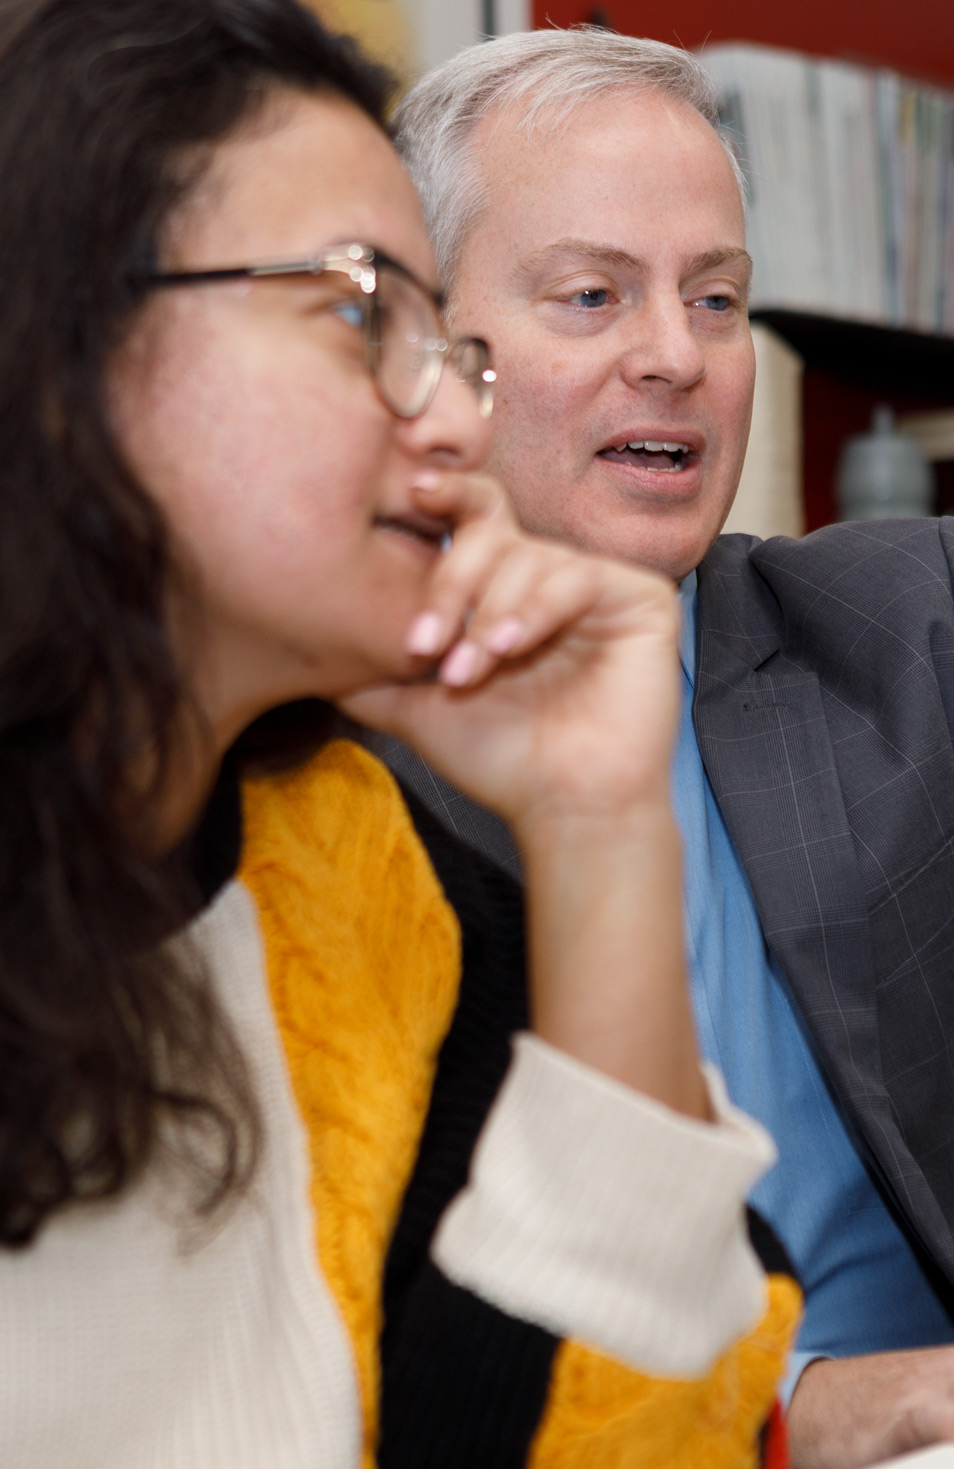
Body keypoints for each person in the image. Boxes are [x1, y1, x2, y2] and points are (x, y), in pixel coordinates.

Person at [0, 3, 802, 1466]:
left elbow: (596, 1427)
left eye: (442, 337)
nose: (449, 410)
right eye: (365, 312)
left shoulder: (354, 862)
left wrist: (597, 821)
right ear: (61, 357)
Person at [387, 26, 954, 1469]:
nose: (674, 356)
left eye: (718, 299)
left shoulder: (890, 624)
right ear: (426, 353)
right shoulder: (322, 765)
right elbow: (386, 1315)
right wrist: (801, 1405)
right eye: (594, 294)